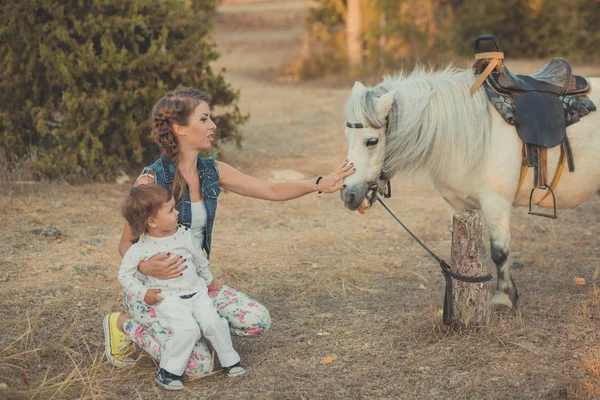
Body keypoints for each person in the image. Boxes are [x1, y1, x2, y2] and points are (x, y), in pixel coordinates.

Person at [103, 88, 354, 378]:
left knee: (256, 320)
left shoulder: (212, 171)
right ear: (179, 128)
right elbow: (125, 243)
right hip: (153, 292)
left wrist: (318, 183)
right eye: (205, 119)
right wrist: (146, 267)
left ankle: (196, 330)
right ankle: (122, 324)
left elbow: (269, 189)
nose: (213, 126)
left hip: (193, 285)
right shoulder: (151, 180)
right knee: (197, 368)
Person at [119, 184, 246, 390]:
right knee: (187, 330)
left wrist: (208, 280)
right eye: (171, 210)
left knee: (214, 323)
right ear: (152, 221)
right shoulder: (140, 248)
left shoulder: (184, 234)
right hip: (168, 298)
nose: (177, 211)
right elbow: (124, 275)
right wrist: (144, 293)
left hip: (196, 292)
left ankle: (230, 360)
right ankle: (169, 372)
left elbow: (199, 260)